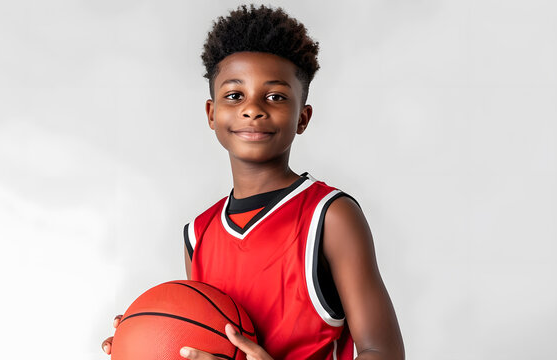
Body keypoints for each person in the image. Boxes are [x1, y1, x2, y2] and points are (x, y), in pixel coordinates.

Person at [102, 4, 404, 360]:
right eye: (234, 95)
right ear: (212, 114)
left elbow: (383, 352)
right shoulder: (198, 234)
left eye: (275, 96)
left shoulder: (330, 217)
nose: (252, 109)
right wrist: (147, 333)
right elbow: (207, 336)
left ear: (302, 117)